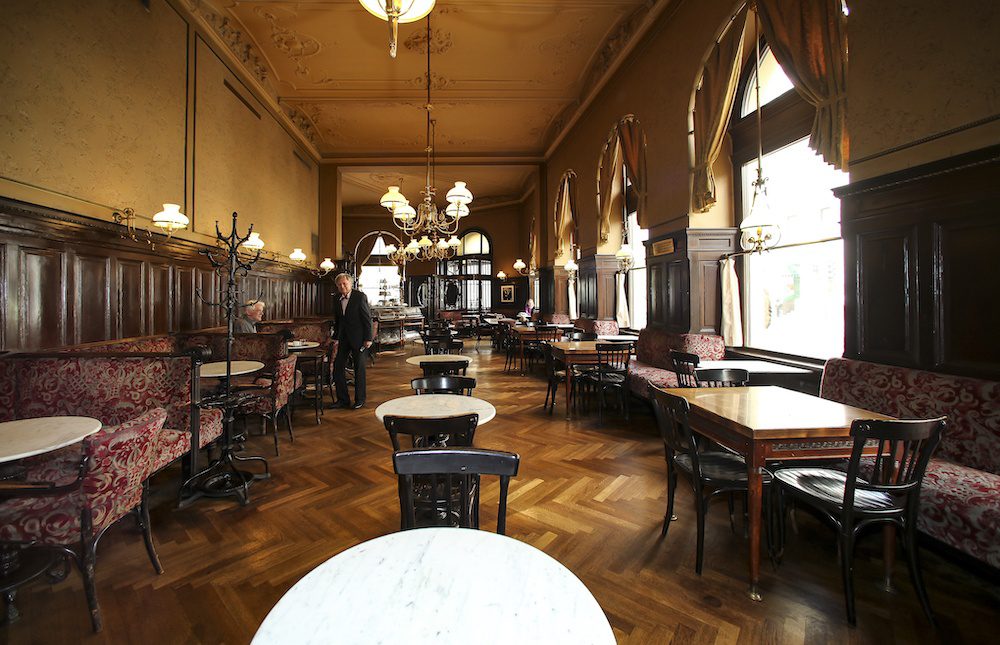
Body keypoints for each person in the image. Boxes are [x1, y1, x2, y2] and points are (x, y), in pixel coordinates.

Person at [331, 273, 372, 409]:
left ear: (350, 283)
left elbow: (367, 318)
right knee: (338, 367)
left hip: (359, 338)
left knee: (359, 369)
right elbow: (338, 320)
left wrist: (368, 338)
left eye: (345, 283)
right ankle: (343, 400)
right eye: (339, 284)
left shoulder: (360, 297)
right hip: (343, 338)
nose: (342, 286)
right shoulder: (336, 298)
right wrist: (335, 338)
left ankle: (360, 400)